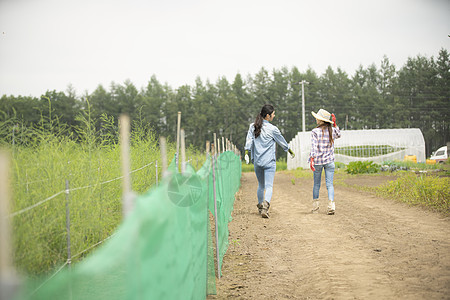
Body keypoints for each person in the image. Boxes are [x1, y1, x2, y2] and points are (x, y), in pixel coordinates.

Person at [244, 104, 295, 218]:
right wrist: (289, 150)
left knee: (261, 186)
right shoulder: (273, 129)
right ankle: (265, 206)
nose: (274, 115)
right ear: (268, 116)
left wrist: (246, 153)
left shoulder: (253, 126)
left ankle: (260, 207)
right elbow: (281, 141)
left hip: (258, 161)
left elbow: (249, 140)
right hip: (269, 162)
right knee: (269, 186)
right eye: (273, 114)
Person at [309, 109, 341, 215]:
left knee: (316, 184)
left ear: (321, 120)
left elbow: (314, 147)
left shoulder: (315, 131)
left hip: (318, 161)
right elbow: (339, 134)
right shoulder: (331, 130)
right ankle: (331, 205)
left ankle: (315, 207)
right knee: (329, 184)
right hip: (329, 161)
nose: (316, 119)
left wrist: (311, 159)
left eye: (318, 118)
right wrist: (335, 124)